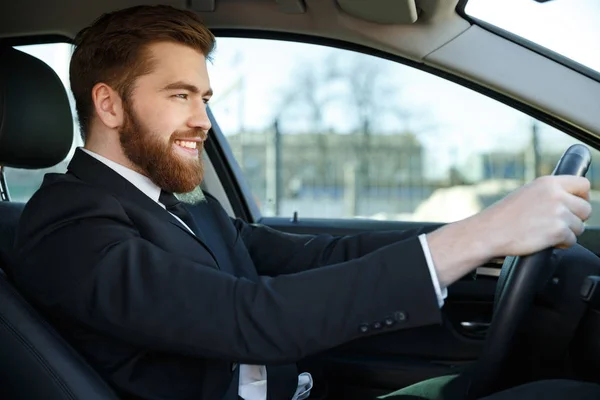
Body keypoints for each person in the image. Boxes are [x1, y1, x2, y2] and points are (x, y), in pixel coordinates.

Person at [12, 5, 600, 400]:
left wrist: (482, 228)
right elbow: (247, 318)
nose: (203, 120)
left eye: (206, 97)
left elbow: (323, 253)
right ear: (109, 105)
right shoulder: (68, 226)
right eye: (180, 95)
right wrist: (484, 237)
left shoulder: (184, 209)